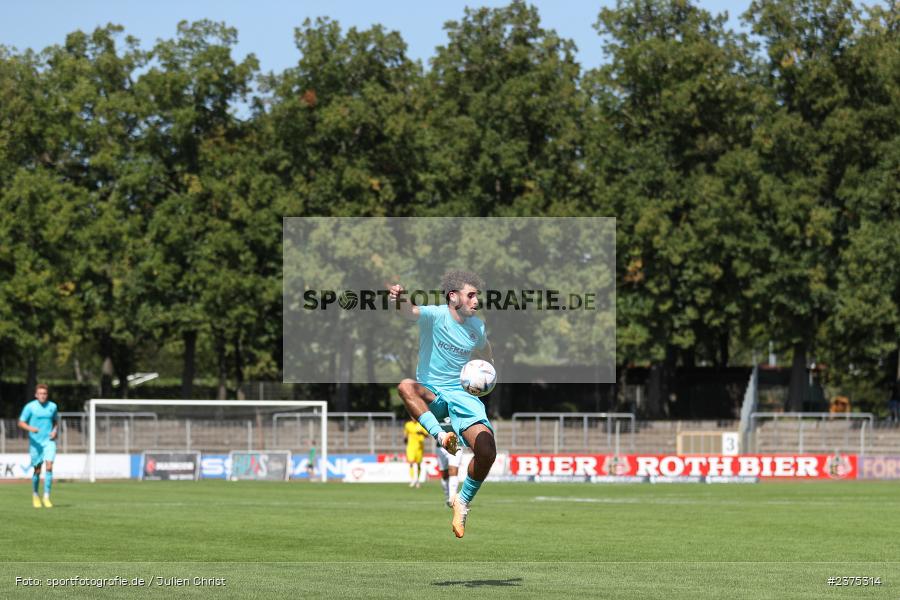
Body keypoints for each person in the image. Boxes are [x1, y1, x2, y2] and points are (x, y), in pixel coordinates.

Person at [390, 270, 497, 538]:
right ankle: (441, 436)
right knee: (405, 386)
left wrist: (489, 367)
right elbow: (410, 311)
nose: (476, 301)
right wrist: (399, 299)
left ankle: (462, 501)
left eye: (477, 296)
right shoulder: (436, 315)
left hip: (462, 395)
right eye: (470, 295)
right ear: (453, 297)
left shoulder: (477, 328)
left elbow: (485, 349)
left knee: (487, 450)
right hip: (432, 391)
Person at [18, 384, 59, 508]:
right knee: (37, 470)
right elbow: (20, 422)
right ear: (36, 395)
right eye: (40, 393)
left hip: (49, 442)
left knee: (49, 466)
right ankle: (35, 495)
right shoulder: (30, 407)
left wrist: (55, 430)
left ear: (47, 395)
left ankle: (46, 496)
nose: (43, 395)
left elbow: (56, 421)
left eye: (45, 393)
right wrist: (31, 428)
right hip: (35, 444)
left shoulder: (53, 406)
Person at [436, 417, 464, 507]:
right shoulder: (437, 412)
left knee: (453, 470)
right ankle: (447, 496)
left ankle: (452, 499)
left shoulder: (456, 411)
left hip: (456, 444)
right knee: (444, 474)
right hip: (441, 447)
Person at [403, 417, 428, 488]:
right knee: (411, 462)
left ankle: (417, 480)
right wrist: (405, 439)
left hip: (419, 447)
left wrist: (422, 433)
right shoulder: (408, 425)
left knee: (418, 464)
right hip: (410, 447)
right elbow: (406, 434)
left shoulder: (421, 425)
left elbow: (426, 435)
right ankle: (413, 479)